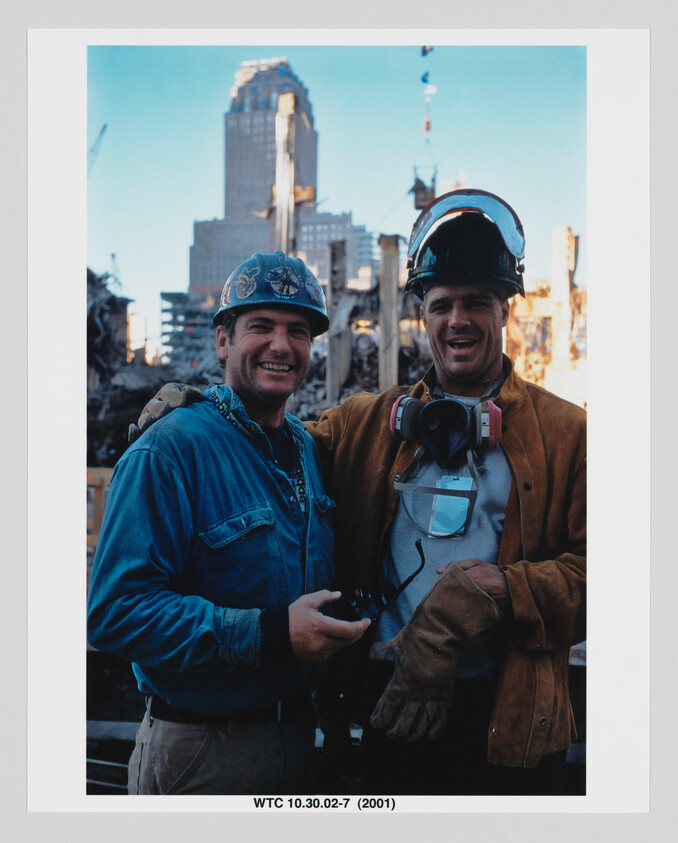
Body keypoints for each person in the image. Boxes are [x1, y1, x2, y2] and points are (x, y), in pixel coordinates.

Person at [131, 189, 586, 796]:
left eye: (477, 303)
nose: (458, 321)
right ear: (421, 315)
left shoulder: (567, 433)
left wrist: (499, 592)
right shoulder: (367, 425)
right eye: (442, 304)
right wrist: (208, 406)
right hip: (390, 713)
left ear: (506, 312)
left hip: (512, 729)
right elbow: (270, 440)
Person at [87, 250, 370, 796]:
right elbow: (114, 612)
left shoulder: (306, 452)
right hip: (201, 755)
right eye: (259, 326)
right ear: (223, 341)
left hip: (297, 745)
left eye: (298, 331)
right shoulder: (171, 449)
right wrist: (269, 636)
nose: (281, 345)